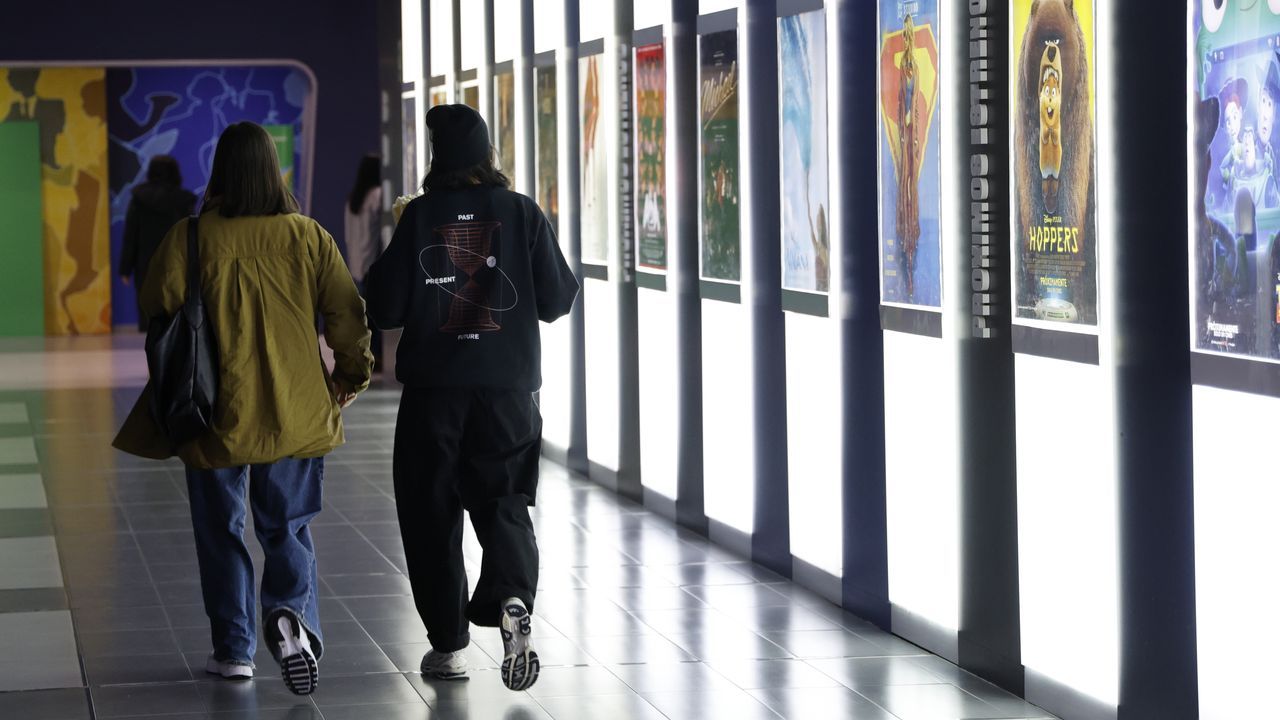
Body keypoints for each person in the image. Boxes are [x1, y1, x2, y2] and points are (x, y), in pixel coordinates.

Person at [113, 122, 373, 696]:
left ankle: (234, 651)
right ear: (270, 170)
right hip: (296, 408)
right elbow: (346, 315)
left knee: (220, 531)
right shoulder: (307, 237)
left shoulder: (191, 237)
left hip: (211, 413)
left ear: (221, 172)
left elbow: (158, 302)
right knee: (288, 528)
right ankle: (290, 619)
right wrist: (350, 376)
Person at [365, 104, 578, 692]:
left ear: (437, 158)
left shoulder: (420, 217)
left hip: (435, 394)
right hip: (508, 390)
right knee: (504, 499)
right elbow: (558, 300)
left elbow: (382, 307)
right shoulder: (522, 212)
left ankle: (449, 646)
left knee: (431, 512)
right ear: (489, 155)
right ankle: (511, 597)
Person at [119, 155, 197, 330]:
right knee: (176, 304)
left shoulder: (138, 199)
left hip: (145, 261)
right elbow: (190, 234)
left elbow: (131, 235)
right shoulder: (185, 199)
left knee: (148, 307)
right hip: (177, 260)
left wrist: (125, 269)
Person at [343, 154, 384, 370]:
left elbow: (349, 234)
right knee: (374, 315)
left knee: (363, 314)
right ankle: (375, 355)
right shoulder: (377, 195)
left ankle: (366, 354)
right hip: (372, 262)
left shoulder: (352, 200)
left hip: (356, 263)